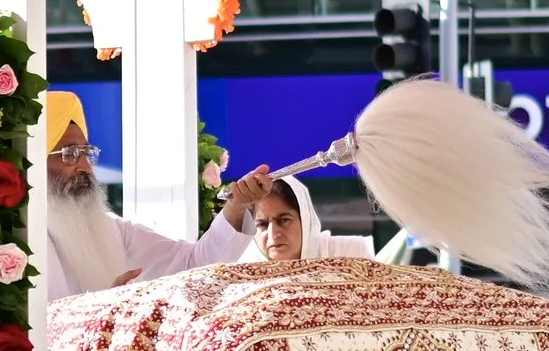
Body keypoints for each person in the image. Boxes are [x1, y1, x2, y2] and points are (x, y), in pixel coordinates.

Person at [43, 91, 274, 301]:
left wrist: (237, 205)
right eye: (70, 154)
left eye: (86, 153)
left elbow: (194, 266)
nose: (85, 166)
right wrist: (103, 308)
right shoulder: (21, 245)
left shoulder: (112, 231)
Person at [239, 176, 374, 263]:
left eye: (284, 220)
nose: (273, 233)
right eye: (262, 224)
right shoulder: (242, 271)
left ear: (306, 221)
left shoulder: (350, 254)